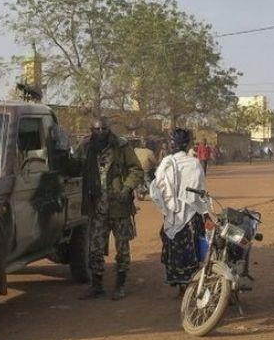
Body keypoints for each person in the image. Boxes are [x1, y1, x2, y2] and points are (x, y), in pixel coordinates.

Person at [75, 117, 143, 301]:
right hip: (97, 207)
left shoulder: (121, 146)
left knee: (122, 248)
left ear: (109, 129)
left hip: (119, 207)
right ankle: (96, 286)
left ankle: (120, 285)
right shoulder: (86, 147)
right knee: (95, 248)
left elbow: (136, 169)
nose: (101, 133)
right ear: (92, 129)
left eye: (104, 129)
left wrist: (126, 188)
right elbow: (75, 165)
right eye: (97, 130)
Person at [149, 128, 210, 294]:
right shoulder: (194, 164)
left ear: (172, 144)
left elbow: (157, 189)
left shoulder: (166, 163)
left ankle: (182, 287)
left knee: (173, 247)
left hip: (172, 214)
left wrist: (168, 206)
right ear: (187, 144)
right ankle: (190, 285)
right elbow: (201, 191)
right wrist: (205, 213)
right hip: (191, 215)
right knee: (192, 250)